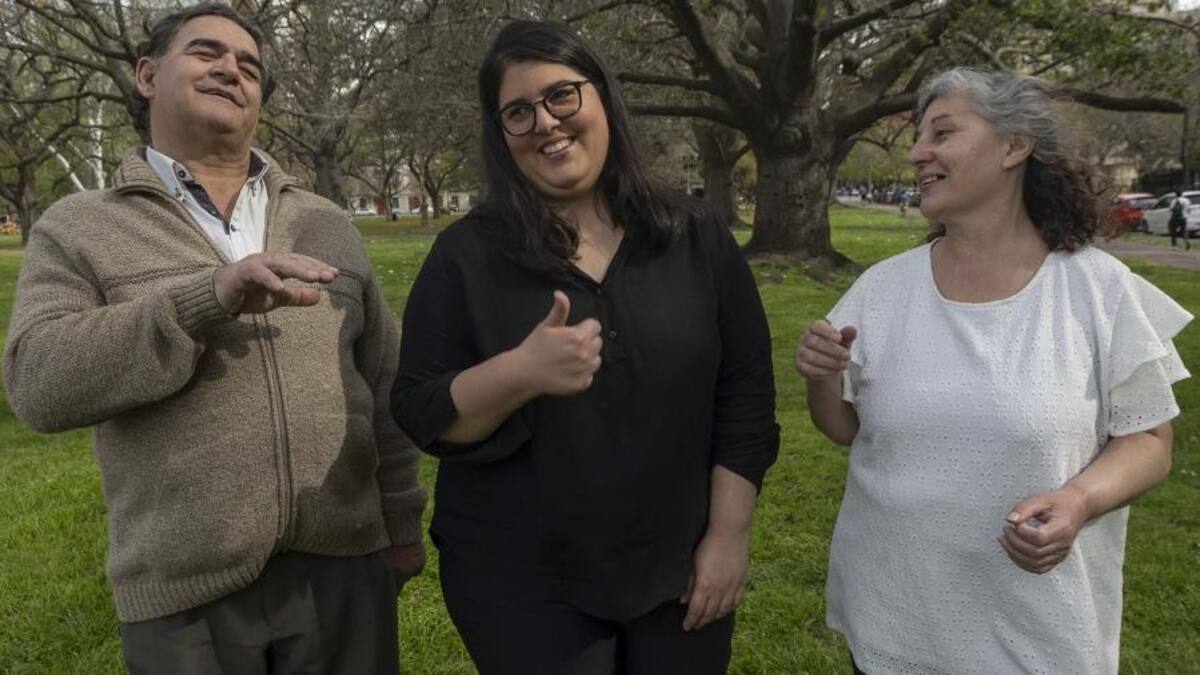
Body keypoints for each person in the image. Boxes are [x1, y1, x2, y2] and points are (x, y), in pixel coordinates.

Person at [3, 4, 426, 673]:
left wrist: (401, 523)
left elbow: (385, 385)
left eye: (250, 66)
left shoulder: (325, 222)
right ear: (147, 74)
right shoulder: (78, 225)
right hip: (185, 599)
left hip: (345, 570)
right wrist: (206, 298)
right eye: (207, 53)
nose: (232, 69)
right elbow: (38, 383)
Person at [391, 20, 779, 675]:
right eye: (518, 112)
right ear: (501, 133)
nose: (545, 122)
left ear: (602, 98)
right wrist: (521, 370)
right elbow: (420, 407)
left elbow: (745, 393)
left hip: (676, 558)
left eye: (561, 96)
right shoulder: (467, 255)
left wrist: (728, 535)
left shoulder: (694, 237)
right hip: (519, 574)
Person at [795, 68, 1191, 674]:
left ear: (1014, 146)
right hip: (895, 616)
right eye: (918, 137)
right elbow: (844, 429)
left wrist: (1080, 499)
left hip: (1036, 630)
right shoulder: (883, 289)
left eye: (943, 132)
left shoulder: (1096, 289)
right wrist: (821, 377)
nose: (918, 152)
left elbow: (1149, 438)